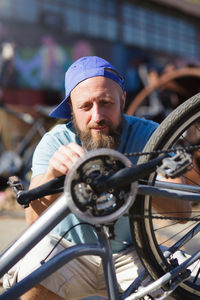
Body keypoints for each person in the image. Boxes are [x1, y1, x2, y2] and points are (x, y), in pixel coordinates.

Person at [3, 56, 191, 300]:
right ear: (71, 108)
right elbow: (32, 220)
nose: (97, 116)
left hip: (133, 254)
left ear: (122, 100)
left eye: (106, 103)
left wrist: (134, 178)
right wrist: (52, 175)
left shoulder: (150, 135)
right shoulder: (55, 141)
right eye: (85, 106)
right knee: (31, 275)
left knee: (190, 281)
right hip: (69, 250)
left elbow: (183, 212)